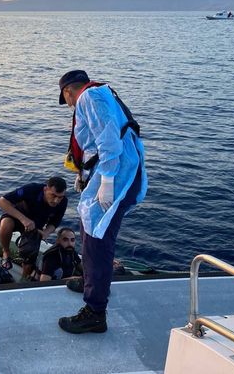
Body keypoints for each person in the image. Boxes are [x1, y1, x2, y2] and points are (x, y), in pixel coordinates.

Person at [56, 70, 147, 334]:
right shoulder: (101, 94)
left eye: (67, 100)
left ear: (68, 91)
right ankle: (89, 279)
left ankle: (95, 312)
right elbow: (96, 143)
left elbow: (108, 141)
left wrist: (106, 180)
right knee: (90, 230)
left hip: (115, 176)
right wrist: (85, 175)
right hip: (110, 174)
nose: (70, 105)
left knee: (98, 240)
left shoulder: (89, 97)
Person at [0, 177, 68, 279]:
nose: (56, 200)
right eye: (53, 195)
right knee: (5, 225)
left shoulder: (63, 202)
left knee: (30, 253)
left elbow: (55, 222)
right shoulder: (31, 189)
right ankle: (6, 252)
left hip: (35, 227)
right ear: (45, 189)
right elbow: (1, 202)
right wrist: (23, 219)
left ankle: (24, 278)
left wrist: (46, 232)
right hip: (18, 217)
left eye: (60, 197)